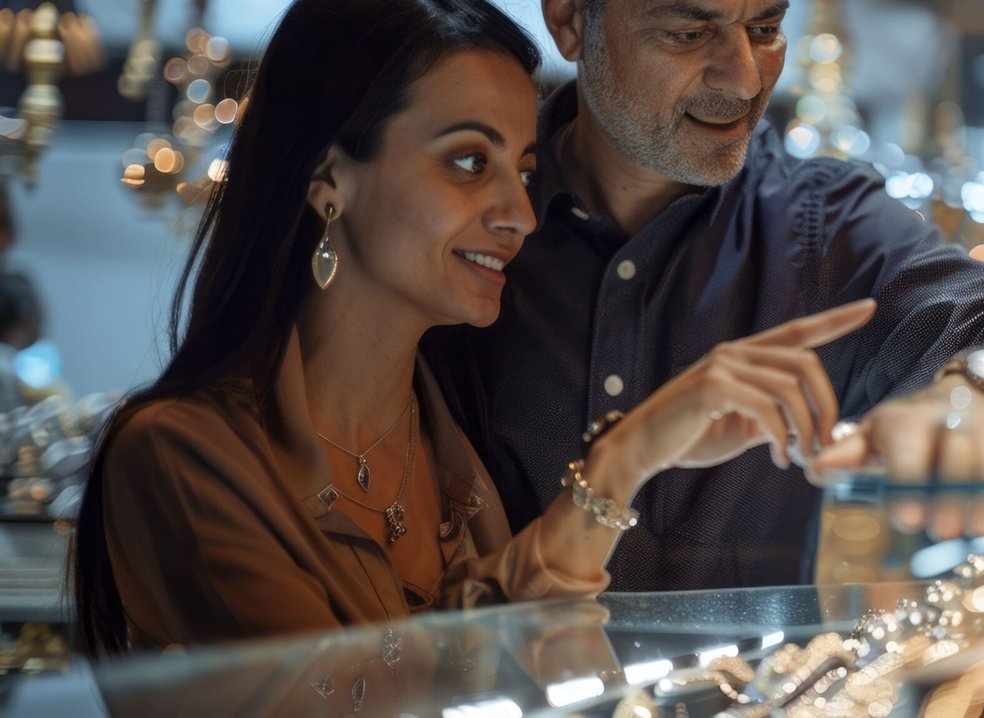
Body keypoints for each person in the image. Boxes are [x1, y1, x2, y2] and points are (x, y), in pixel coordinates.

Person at [69, 0, 875, 654]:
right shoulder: (181, 456)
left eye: (524, 170)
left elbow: (548, 684)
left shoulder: (449, 449)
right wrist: (621, 459)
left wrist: (629, 465)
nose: (521, 213)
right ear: (328, 179)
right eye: (468, 162)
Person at [421, 0, 984, 592]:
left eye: (765, 27)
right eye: (688, 34)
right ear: (571, 20)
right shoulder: (465, 219)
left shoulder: (819, 225)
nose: (746, 79)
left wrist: (983, 396)